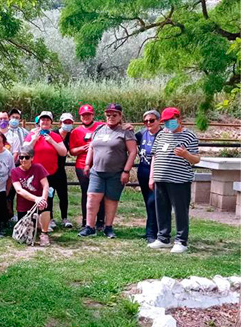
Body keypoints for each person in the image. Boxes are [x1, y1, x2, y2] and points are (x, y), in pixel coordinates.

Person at [148, 107, 200, 253]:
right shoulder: (161, 135)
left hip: (179, 180)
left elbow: (196, 159)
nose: (168, 123)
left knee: (180, 211)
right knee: (161, 209)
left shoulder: (189, 136)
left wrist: (185, 154)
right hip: (160, 178)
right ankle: (163, 238)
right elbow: (155, 156)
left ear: (179, 118)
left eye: (171, 120)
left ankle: (181, 241)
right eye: (165, 121)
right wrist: (152, 177)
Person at [80, 103, 136, 238]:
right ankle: (90, 227)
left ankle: (108, 227)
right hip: (97, 172)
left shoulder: (125, 131)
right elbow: (92, 147)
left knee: (111, 200)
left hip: (116, 173)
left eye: (114, 115)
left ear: (120, 116)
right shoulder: (99, 129)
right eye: (108, 115)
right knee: (92, 198)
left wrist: (126, 171)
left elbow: (133, 152)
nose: (111, 117)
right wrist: (87, 164)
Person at [21, 111, 67, 228]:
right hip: (34, 173)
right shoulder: (32, 135)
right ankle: (32, 219)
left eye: (47, 120)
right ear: (39, 122)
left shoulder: (56, 136)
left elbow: (63, 152)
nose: (45, 122)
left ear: (51, 123)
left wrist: (52, 141)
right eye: (43, 120)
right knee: (34, 195)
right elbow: (25, 150)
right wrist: (34, 140)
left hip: (51, 172)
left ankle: (48, 219)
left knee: (48, 196)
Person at [11, 146, 53, 246]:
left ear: (32, 158)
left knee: (46, 207)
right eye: (21, 157)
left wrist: (43, 199)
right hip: (24, 205)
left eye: (27, 157)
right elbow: (19, 190)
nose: (23, 160)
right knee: (25, 233)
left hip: (39, 202)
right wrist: (36, 199)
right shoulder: (15, 171)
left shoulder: (38, 167)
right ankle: (38, 224)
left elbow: (46, 185)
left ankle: (44, 233)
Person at [69, 104, 100, 228]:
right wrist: (83, 148)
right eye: (84, 115)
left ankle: (100, 221)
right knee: (86, 193)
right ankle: (85, 220)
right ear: (80, 116)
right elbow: (72, 151)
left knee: (100, 193)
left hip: (98, 164)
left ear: (92, 115)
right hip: (82, 166)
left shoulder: (101, 127)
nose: (86, 117)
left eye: (88, 114)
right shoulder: (76, 132)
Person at [135, 110, 161, 243]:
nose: (148, 123)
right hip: (143, 170)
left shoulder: (163, 135)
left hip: (157, 172)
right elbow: (129, 141)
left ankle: (153, 233)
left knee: (154, 202)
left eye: (152, 120)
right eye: (145, 121)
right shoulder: (141, 134)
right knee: (148, 202)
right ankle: (150, 230)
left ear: (158, 121)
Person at [53, 113, 75, 229]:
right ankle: (50, 218)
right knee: (49, 195)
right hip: (50, 169)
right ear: (60, 123)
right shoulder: (53, 134)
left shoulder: (71, 135)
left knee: (63, 195)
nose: (67, 124)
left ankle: (64, 218)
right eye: (65, 122)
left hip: (61, 169)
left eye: (69, 122)